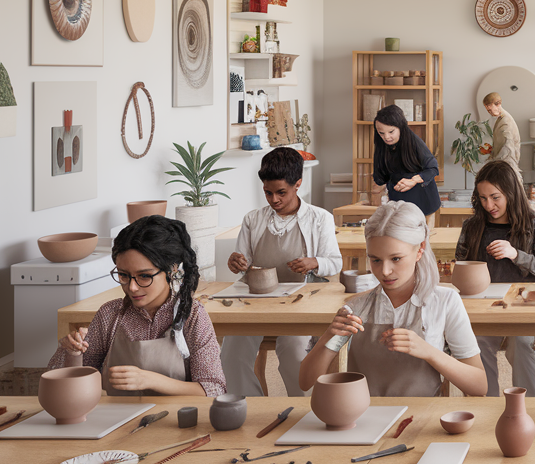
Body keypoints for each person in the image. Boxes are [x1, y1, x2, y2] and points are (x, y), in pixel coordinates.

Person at [299, 201, 487, 397]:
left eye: (396, 259)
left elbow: (479, 386)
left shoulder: (445, 302)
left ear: (420, 249)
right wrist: (328, 337)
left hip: (423, 420)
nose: (385, 271)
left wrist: (429, 352)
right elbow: (305, 382)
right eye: (376, 260)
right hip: (365, 418)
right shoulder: (355, 307)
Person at [51, 215, 225, 396]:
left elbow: (214, 389)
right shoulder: (109, 314)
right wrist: (72, 353)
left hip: (176, 421)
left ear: (172, 269)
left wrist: (150, 380)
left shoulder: (192, 316)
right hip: (118, 420)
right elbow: (70, 387)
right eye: (124, 275)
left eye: (144, 276)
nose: (132, 287)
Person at [220, 147, 342, 396]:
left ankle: (303, 412)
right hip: (256, 301)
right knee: (231, 353)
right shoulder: (253, 220)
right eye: (268, 193)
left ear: (298, 184)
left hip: (300, 301)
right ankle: (250, 406)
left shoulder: (320, 218)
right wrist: (236, 262)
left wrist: (314, 262)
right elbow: (242, 261)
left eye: (281, 193)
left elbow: (335, 262)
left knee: (292, 352)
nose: (274, 199)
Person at [455, 160, 535, 396]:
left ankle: (528, 408)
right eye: (482, 198)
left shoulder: (534, 224)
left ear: (511, 193)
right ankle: (484, 405)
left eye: (495, 197)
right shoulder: (472, 226)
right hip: (483, 306)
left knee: (521, 343)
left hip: (524, 305)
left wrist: (516, 255)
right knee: (476, 343)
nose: (488, 205)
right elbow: (460, 262)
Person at [373, 104, 442, 223]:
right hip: (399, 205)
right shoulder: (382, 144)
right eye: (381, 133)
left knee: (423, 239)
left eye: (391, 132)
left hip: (424, 204)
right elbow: (381, 178)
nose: (386, 137)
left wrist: (413, 181)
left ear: (401, 127)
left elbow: (433, 168)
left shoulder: (414, 142)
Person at [483, 92, 522, 178]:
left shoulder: (505, 121)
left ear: (498, 104)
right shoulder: (501, 119)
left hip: (506, 167)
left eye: (490, 110)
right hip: (503, 166)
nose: (489, 113)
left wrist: (497, 166)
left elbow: (507, 148)